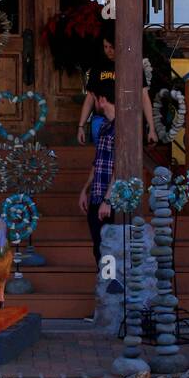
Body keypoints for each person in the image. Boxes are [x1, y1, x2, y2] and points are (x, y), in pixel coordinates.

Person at [76, 23, 156, 148]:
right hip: (101, 119)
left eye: (111, 47)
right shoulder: (98, 67)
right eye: (105, 46)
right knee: (104, 156)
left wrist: (151, 128)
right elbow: (90, 97)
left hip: (126, 119)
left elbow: (144, 97)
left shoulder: (132, 66)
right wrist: (81, 125)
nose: (108, 50)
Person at [78, 77, 117, 269]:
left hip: (111, 201)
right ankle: (105, 285)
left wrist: (108, 200)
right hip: (96, 196)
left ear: (102, 100)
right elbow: (98, 161)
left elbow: (120, 167)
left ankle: (111, 290)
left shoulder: (121, 128)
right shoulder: (104, 126)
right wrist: (85, 189)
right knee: (99, 247)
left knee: (111, 249)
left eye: (94, 98)